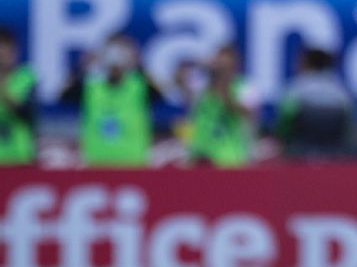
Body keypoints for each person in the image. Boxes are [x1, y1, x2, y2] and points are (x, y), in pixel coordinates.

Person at [59, 33, 163, 167]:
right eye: (111, 51)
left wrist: (139, 64)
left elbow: (161, 96)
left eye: (120, 52)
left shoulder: (139, 86)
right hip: (97, 163)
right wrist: (82, 67)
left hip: (133, 163)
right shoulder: (90, 87)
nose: (115, 58)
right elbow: (62, 96)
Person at [179, 45, 259, 167]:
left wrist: (223, 84)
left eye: (226, 65)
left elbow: (248, 113)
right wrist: (199, 65)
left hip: (229, 157)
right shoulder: (203, 85)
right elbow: (179, 80)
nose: (222, 69)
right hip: (200, 153)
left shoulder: (243, 87)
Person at [276, 47, 357, 158]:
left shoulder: (296, 88)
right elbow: (350, 120)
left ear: (307, 63)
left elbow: (286, 118)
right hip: (336, 150)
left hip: (300, 149)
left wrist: (283, 140)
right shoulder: (340, 91)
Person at [0, 28, 38, 165]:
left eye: (7, 51)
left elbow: (28, 115)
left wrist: (4, 91)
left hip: (19, 157)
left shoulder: (27, 78)